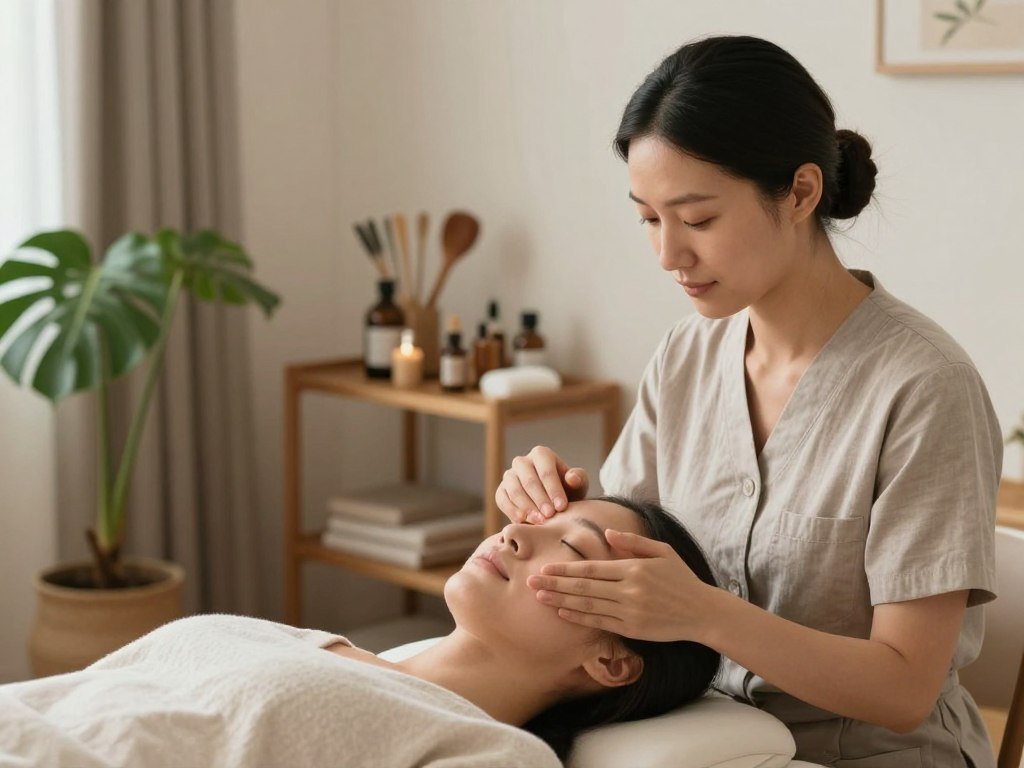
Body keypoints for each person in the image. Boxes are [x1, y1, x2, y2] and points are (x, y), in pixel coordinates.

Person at [496, 34, 1003, 768]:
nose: (669, 255)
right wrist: (549, 503)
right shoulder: (687, 355)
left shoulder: (923, 388)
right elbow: (630, 560)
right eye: (648, 217)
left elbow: (904, 690)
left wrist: (703, 615)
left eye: (697, 219)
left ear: (800, 192)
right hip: (700, 738)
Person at [0, 496, 720, 768]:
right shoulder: (303, 642)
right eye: (541, 518)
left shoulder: (493, 755)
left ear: (612, 661)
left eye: (578, 546)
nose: (518, 534)